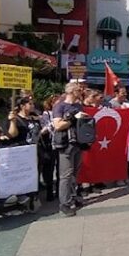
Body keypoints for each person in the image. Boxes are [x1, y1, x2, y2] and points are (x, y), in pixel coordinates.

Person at [52, 82, 85, 217]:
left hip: (78, 143)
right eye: (79, 90)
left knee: (75, 173)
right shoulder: (59, 106)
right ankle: (64, 204)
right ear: (71, 91)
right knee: (66, 174)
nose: (81, 92)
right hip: (65, 144)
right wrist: (73, 119)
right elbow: (58, 125)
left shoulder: (78, 106)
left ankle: (72, 196)